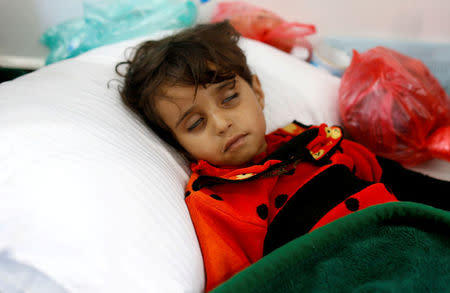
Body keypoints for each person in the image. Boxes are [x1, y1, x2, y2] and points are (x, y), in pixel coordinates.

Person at [115, 21, 450, 292]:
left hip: (416, 239)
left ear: (257, 91)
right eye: (195, 123)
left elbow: (398, 181)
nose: (221, 123)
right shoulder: (216, 200)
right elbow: (242, 283)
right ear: (179, 143)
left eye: (229, 98)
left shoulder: (313, 139)